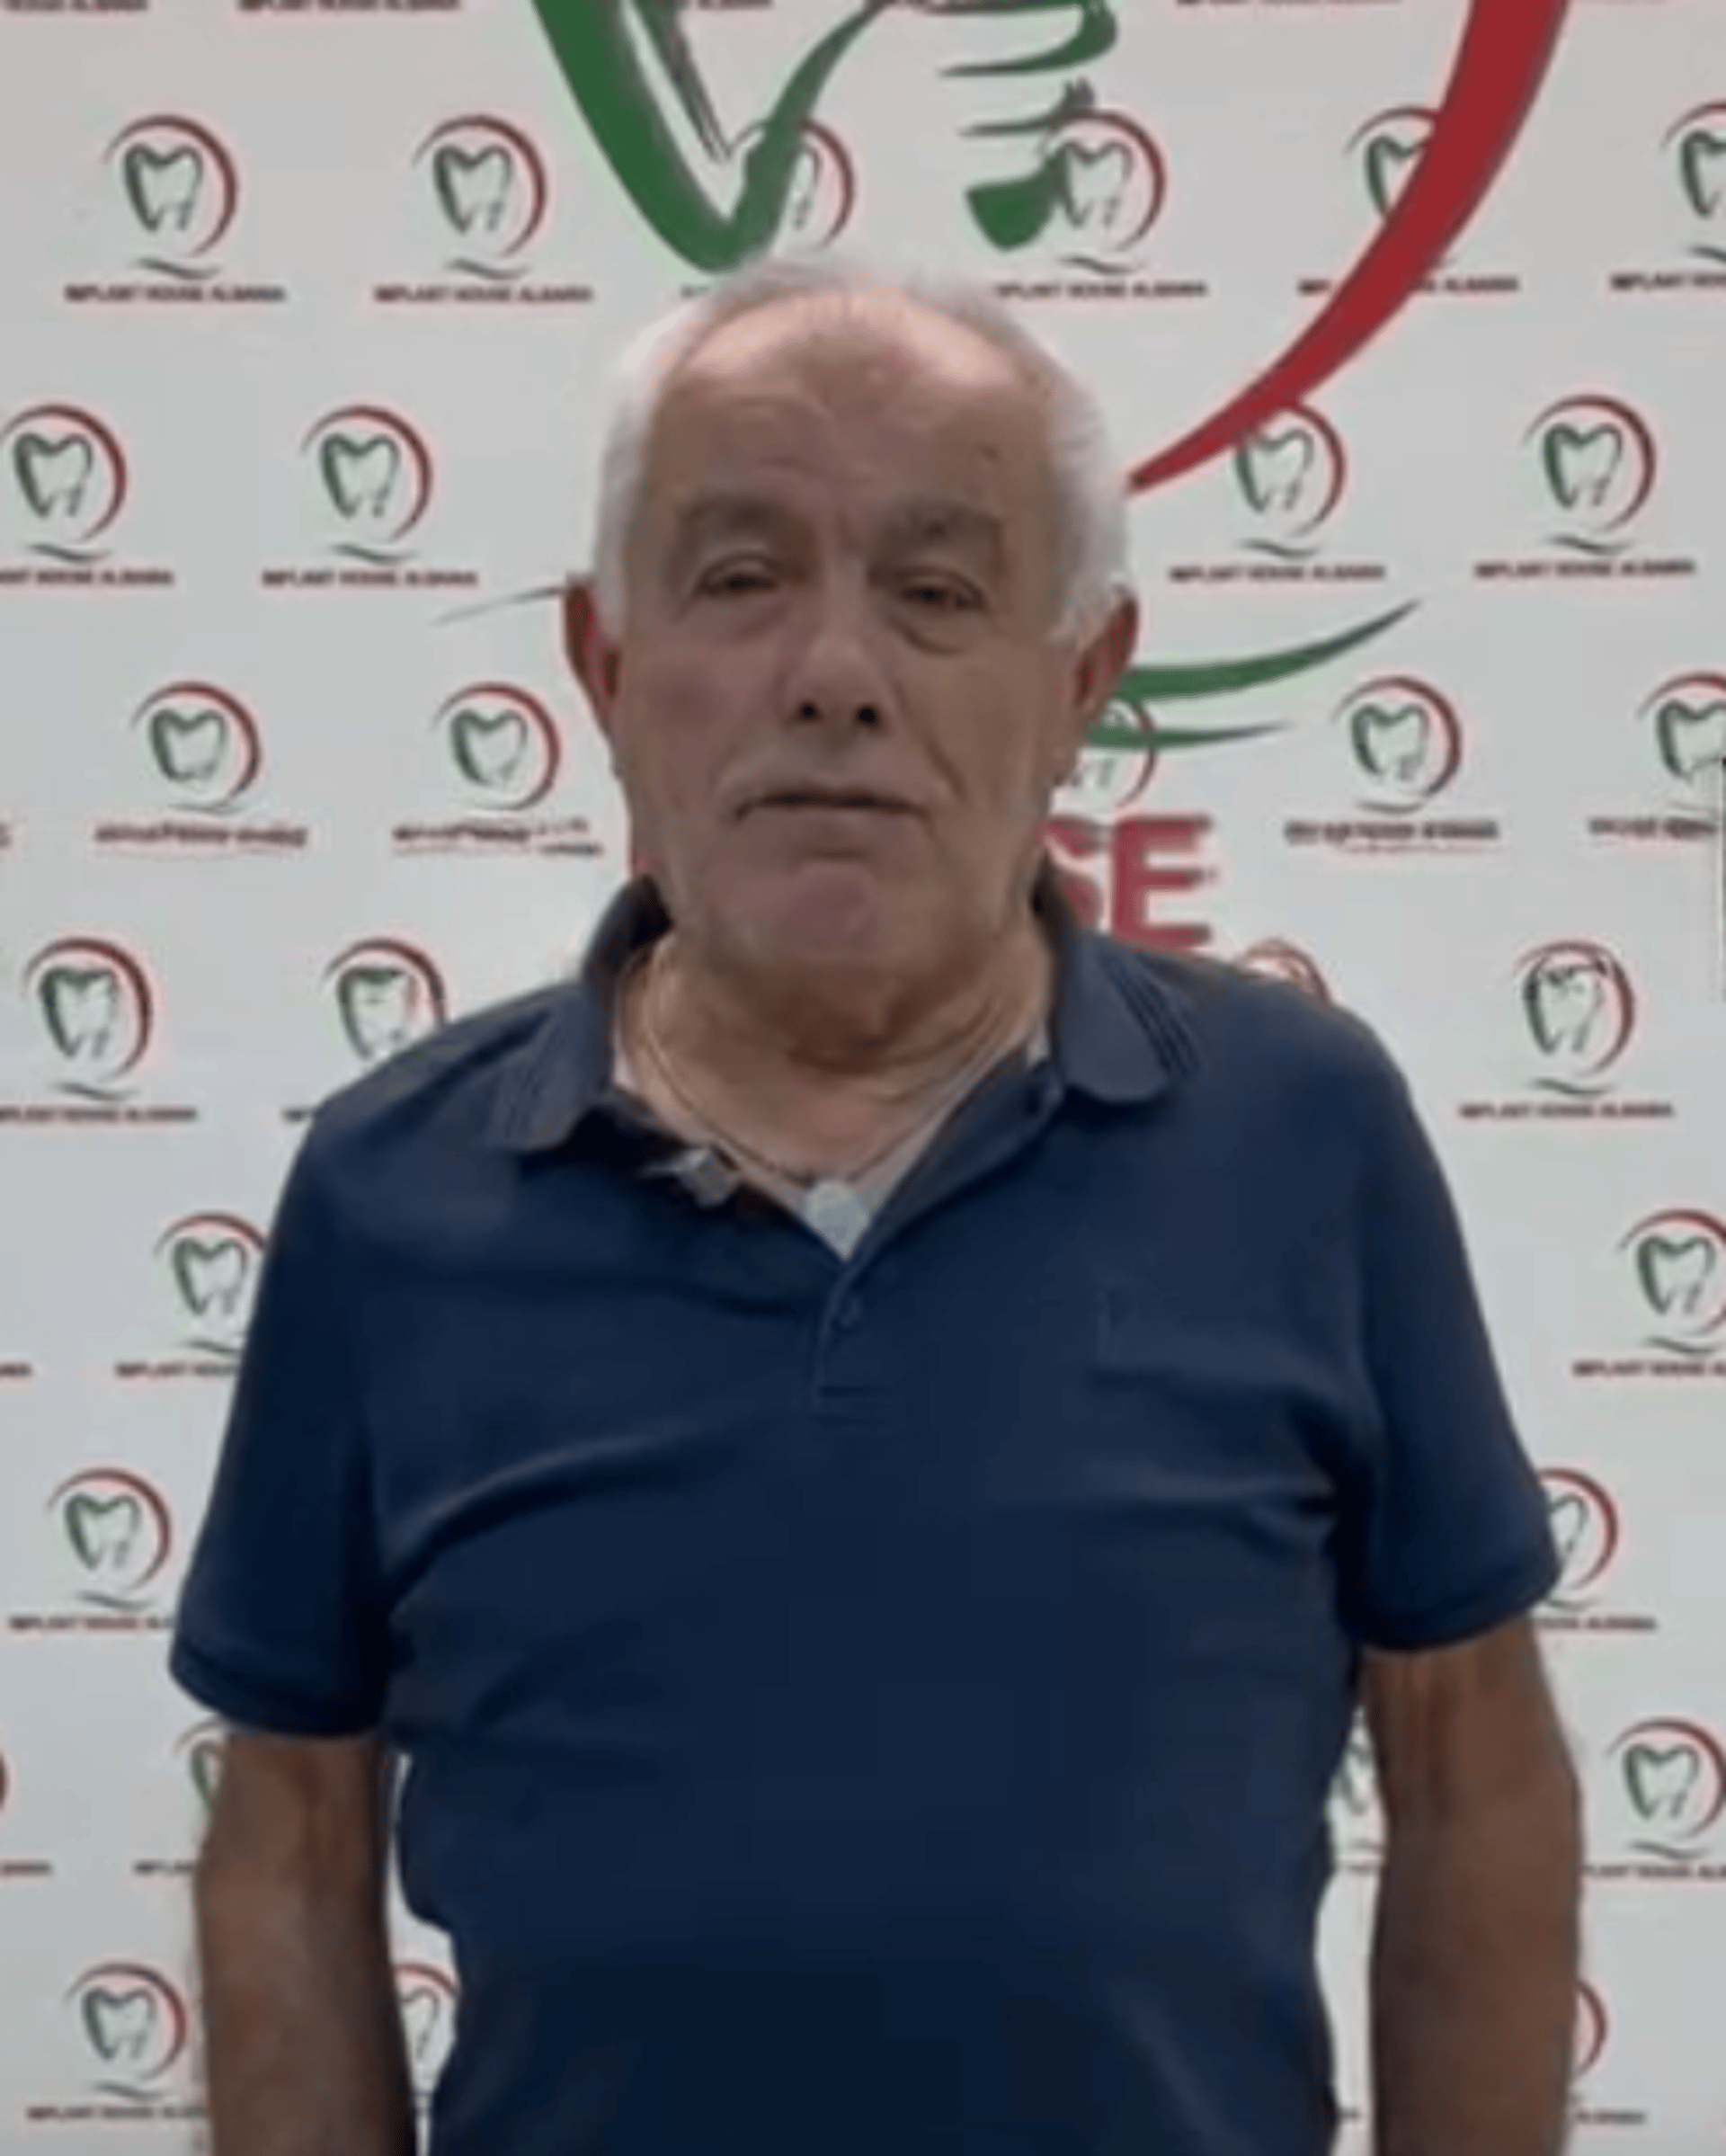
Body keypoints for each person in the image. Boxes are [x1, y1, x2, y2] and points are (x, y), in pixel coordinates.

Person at [172, 252, 1581, 2156]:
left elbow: (1474, 1754)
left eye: (937, 591)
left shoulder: (1307, 1135)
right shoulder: (389, 1190)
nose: (834, 674)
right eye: (740, 577)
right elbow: (289, 1829)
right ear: (604, 664)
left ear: (1081, 680)